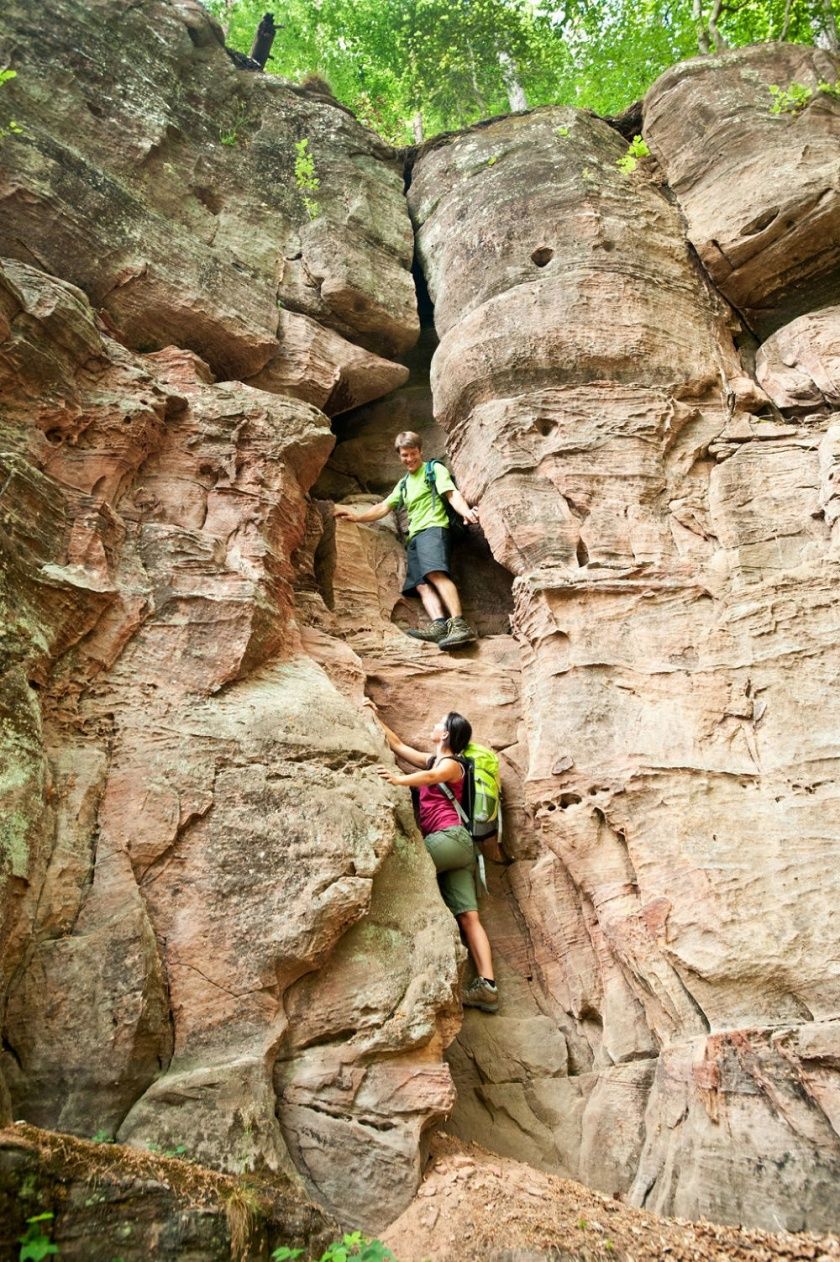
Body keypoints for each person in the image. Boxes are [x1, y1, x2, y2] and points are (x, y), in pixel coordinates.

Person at [372, 706, 499, 1014]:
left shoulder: (454, 765)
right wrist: (372, 715)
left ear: (445, 734)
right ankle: (488, 986)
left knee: (403, 869)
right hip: (461, 851)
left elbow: (432, 776)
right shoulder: (435, 759)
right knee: (469, 917)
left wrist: (397, 781)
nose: (433, 725)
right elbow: (399, 746)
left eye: (438, 723)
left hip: (450, 838)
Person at [333, 431, 479, 649]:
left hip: (434, 528)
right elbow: (383, 507)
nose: (409, 459)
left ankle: (459, 625)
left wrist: (466, 511)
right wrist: (356, 517)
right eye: (404, 455)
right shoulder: (403, 484)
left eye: (413, 454)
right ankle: (439, 625)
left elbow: (451, 494)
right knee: (420, 585)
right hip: (415, 536)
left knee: (435, 574)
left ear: (420, 451)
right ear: (399, 456)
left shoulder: (433, 469)